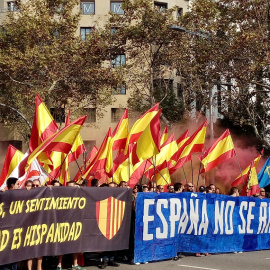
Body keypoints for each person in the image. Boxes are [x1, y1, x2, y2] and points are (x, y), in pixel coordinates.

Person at [27, 179, 43, 270]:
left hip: (41, 226)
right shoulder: (27, 194)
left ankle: (39, 268)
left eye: (37, 185)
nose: (35, 187)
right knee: (29, 249)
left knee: (40, 249)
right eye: (33, 185)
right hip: (29, 227)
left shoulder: (45, 193)